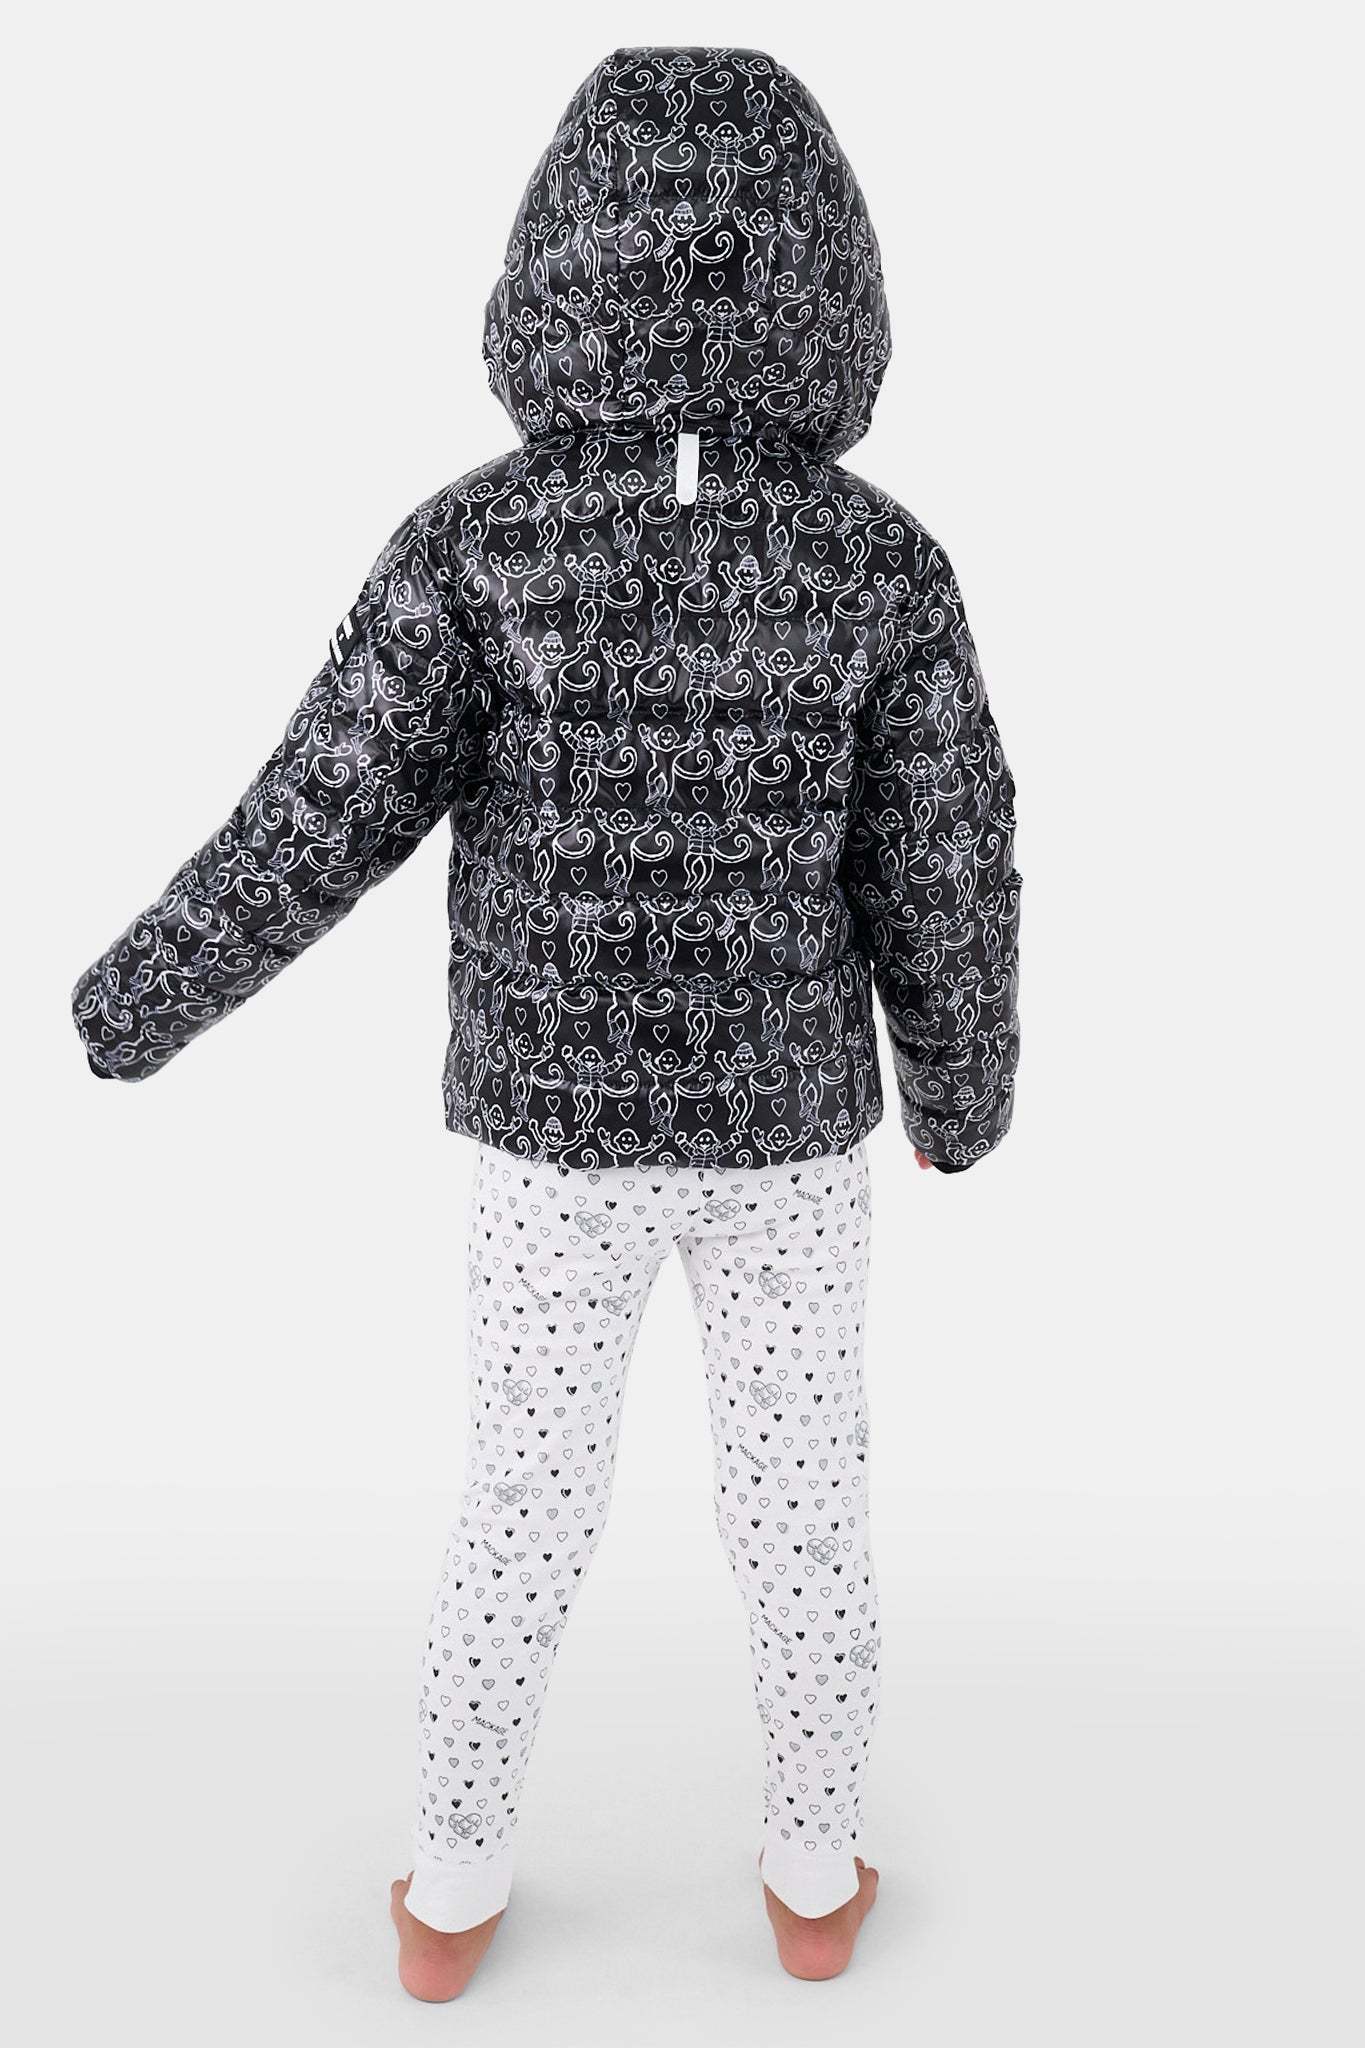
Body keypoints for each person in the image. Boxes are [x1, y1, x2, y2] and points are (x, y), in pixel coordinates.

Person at [71, 45, 1020, 1994]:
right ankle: (813, 1875)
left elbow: (313, 817)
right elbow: (942, 861)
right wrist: (960, 1090)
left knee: (516, 1508)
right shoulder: (877, 564)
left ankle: (446, 1892)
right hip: (782, 1140)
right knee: (802, 1515)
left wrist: (137, 999)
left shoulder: (474, 544)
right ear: (828, 274)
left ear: (554, 260)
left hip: (544, 1140)